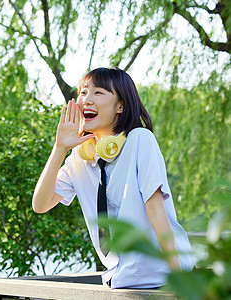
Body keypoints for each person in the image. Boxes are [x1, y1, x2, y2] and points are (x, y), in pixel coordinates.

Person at [32, 67, 194, 289]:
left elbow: (156, 210)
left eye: (98, 93)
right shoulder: (80, 158)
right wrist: (60, 148)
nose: (87, 99)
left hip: (162, 274)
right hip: (121, 280)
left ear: (120, 105)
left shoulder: (140, 140)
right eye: (83, 92)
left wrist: (183, 282)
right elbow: (40, 204)